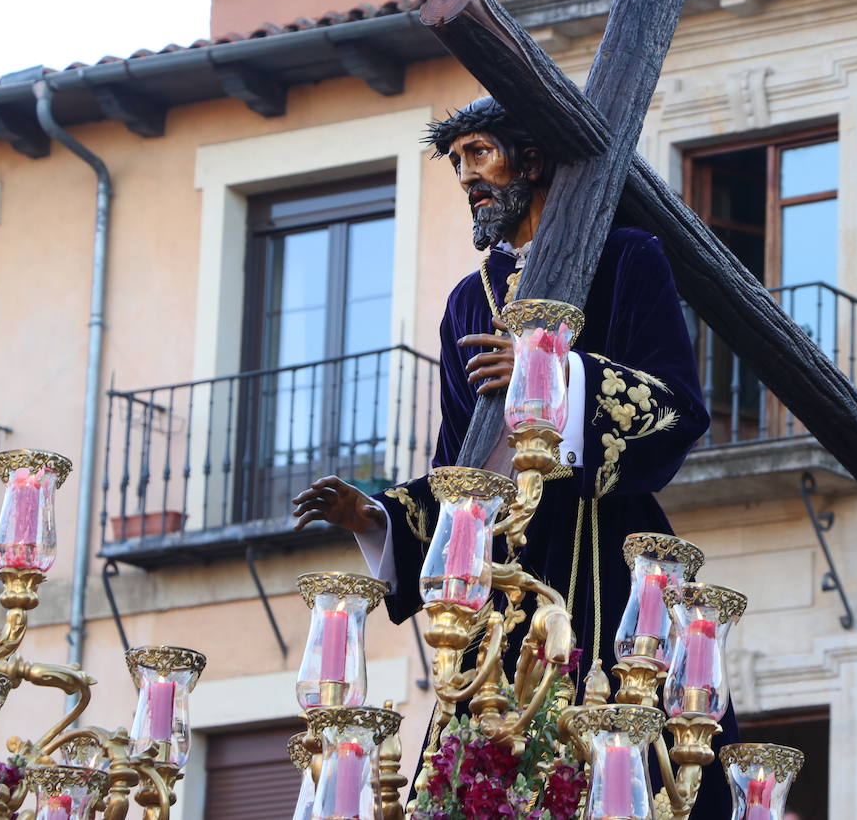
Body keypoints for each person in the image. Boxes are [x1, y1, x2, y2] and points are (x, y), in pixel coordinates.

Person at [290, 96, 733, 816]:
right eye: (458, 159)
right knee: (481, 761)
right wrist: (375, 516)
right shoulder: (469, 301)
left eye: (480, 152)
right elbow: (460, 463)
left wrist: (554, 376)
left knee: (634, 750)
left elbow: (677, 403)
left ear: (531, 159)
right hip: (499, 566)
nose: (468, 174)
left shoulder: (626, 257)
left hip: (602, 545)